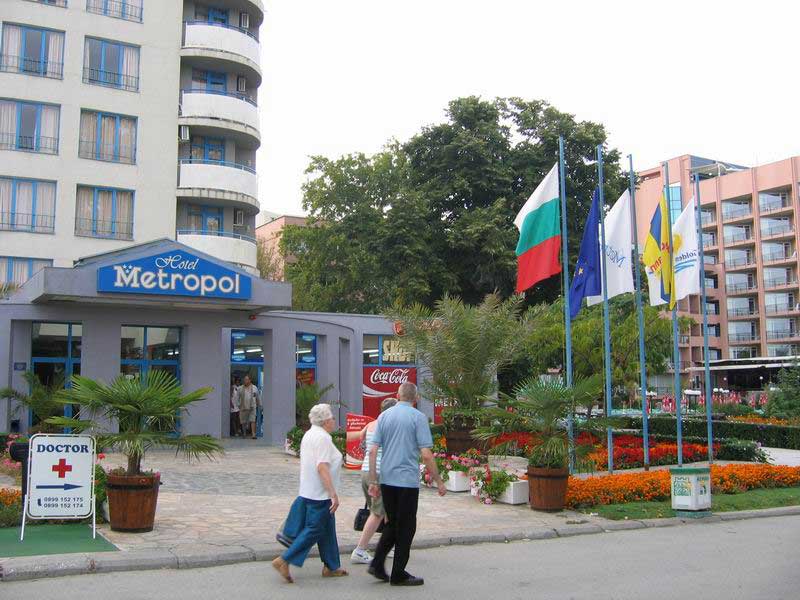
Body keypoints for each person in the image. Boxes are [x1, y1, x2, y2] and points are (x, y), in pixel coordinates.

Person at [367, 382, 445, 587]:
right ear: (416, 398)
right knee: (407, 527)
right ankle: (398, 573)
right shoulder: (418, 418)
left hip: (387, 479)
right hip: (407, 481)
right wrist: (438, 480)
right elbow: (426, 454)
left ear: (397, 395)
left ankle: (377, 563)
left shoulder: (384, 416)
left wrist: (374, 480)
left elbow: (373, 451)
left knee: (392, 523)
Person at [272, 404, 348, 583]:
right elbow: (322, 467)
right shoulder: (323, 438)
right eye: (332, 418)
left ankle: (331, 565)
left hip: (309, 490)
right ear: (326, 421)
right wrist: (332, 493)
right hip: (320, 493)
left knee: (327, 528)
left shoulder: (310, 434)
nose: (334, 421)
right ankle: (285, 559)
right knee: (315, 528)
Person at [351, 396, 397, 564]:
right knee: (377, 514)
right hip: (378, 473)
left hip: (365, 470)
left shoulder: (371, 425)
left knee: (386, 510)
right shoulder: (388, 427)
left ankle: (388, 545)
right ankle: (360, 550)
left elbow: (359, 438)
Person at [237, 374, 261, 439]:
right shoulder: (240, 388)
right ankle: (244, 433)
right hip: (243, 407)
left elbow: (258, 397)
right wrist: (238, 405)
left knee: (253, 420)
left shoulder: (254, 388)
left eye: (246, 379)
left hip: (252, 406)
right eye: (244, 379)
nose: (245, 381)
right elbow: (237, 398)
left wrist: (259, 404)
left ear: (250, 380)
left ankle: (253, 434)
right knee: (243, 421)